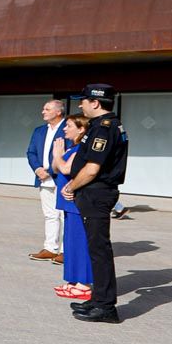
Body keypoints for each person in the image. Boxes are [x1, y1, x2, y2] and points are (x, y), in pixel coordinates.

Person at [62, 84, 129, 324]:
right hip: (94, 193)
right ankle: (98, 299)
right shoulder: (103, 126)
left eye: (84, 101)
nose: (81, 105)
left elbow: (91, 170)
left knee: (100, 251)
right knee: (96, 250)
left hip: (96, 193)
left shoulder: (104, 129)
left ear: (96, 103)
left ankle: (106, 307)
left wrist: (70, 187)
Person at [51, 115, 93, 301]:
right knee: (70, 243)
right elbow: (56, 167)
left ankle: (84, 284)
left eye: (68, 126)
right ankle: (73, 279)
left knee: (80, 242)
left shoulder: (80, 149)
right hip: (67, 203)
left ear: (81, 129)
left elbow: (66, 169)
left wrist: (58, 156)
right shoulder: (70, 148)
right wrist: (57, 155)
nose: (65, 129)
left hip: (77, 202)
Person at [27, 99, 67, 264]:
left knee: (65, 216)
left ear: (58, 112)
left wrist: (49, 171)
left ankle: (66, 251)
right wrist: (38, 170)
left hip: (62, 179)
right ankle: (50, 248)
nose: (43, 111)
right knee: (50, 215)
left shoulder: (68, 129)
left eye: (47, 109)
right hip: (43, 179)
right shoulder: (39, 131)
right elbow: (31, 152)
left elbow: (69, 154)